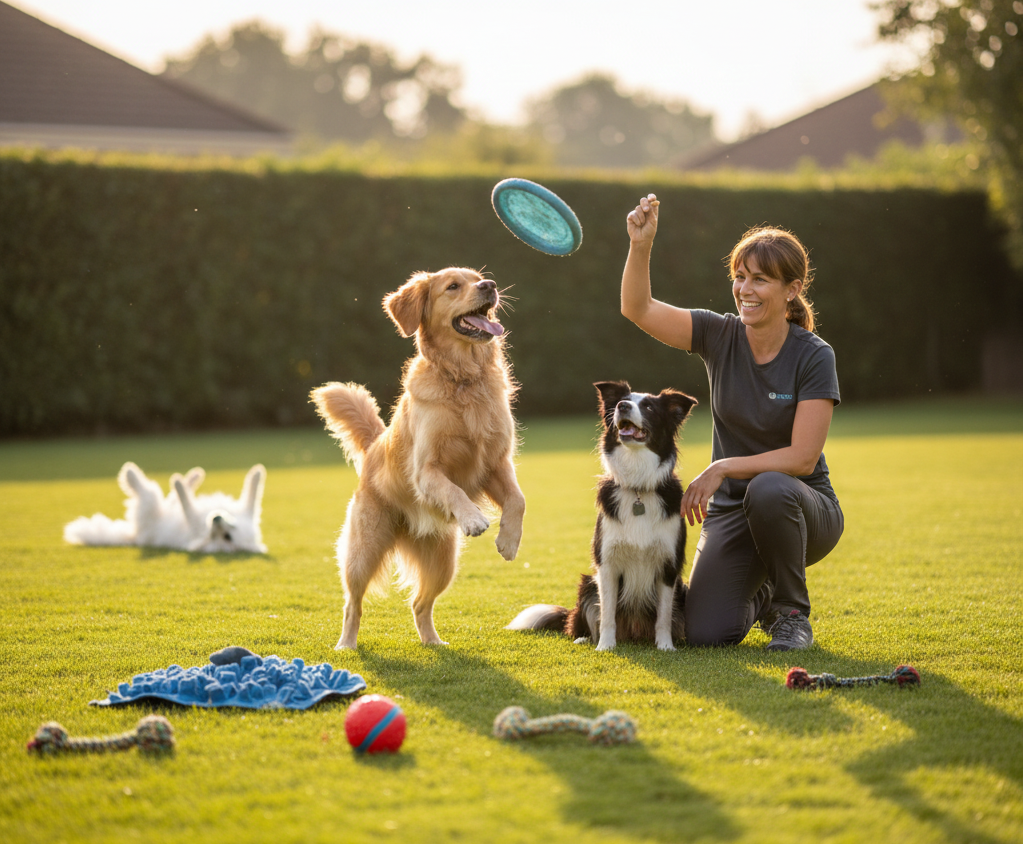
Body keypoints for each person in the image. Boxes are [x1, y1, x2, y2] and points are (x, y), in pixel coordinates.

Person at [620, 193, 843, 651]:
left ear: (793, 289)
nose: (744, 290)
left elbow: (801, 459)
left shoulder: (815, 356)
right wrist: (640, 245)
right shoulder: (718, 334)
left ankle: (791, 615)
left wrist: (721, 467)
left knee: (770, 486)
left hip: (802, 509)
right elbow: (637, 309)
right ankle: (760, 598)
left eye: (760, 280)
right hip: (732, 514)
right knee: (705, 634)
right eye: (739, 278)